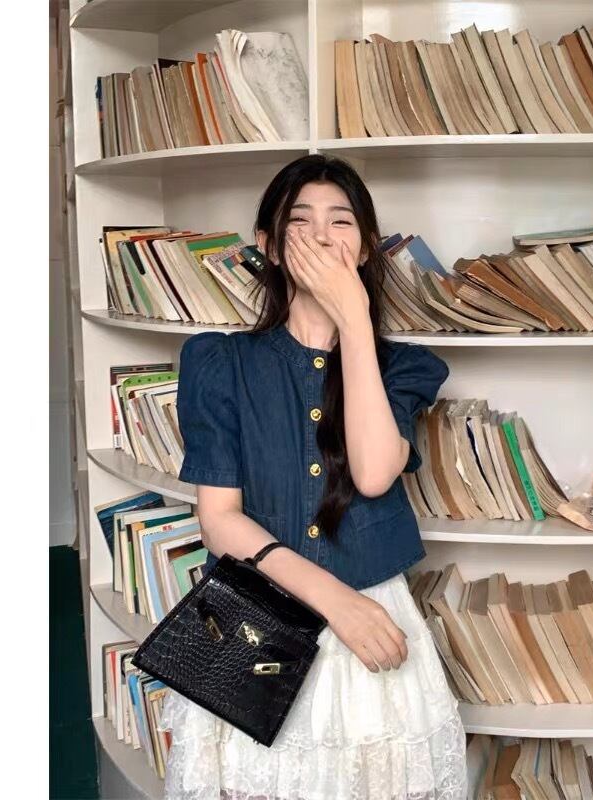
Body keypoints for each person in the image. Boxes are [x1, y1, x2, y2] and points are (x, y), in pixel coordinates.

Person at [160, 154, 467, 799]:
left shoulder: (405, 367)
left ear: (366, 247)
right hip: (259, 616)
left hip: (374, 619)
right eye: (300, 221)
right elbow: (218, 520)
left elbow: (375, 474)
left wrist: (353, 318)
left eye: (341, 221)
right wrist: (336, 603)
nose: (322, 236)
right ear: (270, 246)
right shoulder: (220, 361)